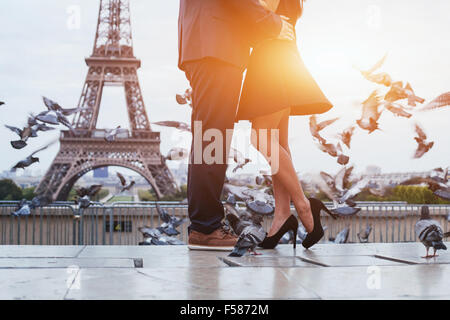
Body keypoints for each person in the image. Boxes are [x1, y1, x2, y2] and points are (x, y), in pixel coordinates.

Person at [178, 0, 296, 250]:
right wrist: (271, 23)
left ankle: (205, 225)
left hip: (208, 44)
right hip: (216, 48)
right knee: (212, 138)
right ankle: (205, 228)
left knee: (211, 137)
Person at [236, 0, 335, 249]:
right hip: (280, 57)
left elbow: (256, 13)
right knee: (278, 144)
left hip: (272, 59)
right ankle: (282, 214)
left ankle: (303, 205)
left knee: (259, 139)